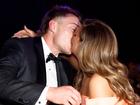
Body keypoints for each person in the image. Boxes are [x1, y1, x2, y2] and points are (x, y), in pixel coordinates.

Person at [0, 5, 82, 105]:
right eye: (73, 29)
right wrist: (49, 93)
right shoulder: (20, 47)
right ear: (53, 26)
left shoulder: (66, 64)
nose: (76, 37)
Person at [71, 19, 137, 105]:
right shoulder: (84, 75)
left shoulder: (98, 81)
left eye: (74, 34)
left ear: (85, 44)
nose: (71, 37)